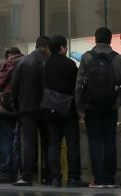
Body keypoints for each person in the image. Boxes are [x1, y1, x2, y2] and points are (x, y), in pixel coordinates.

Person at [75, 26, 121, 188]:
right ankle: (110, 178)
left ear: (96, 39)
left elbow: (79, 85)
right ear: (109, 39)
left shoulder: (86, 58)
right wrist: (120, 101)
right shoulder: (119, 59)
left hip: (91, 107)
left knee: (94, 141)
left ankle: (98, 179)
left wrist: (80, 107)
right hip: (110, 107)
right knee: (109, 140)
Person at [44, 35, 86, 187]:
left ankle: (55, 178)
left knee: (54, 144)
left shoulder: (46, 64)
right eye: (66, 46)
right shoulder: (70, 64)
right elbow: (77, 87)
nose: (67, 48)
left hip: (51, 108)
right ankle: (74, 178)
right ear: (62, 47)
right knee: (72, 144)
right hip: (68, 108)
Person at [11, 35, 51, 186]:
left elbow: (14, 87)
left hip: (26, 108)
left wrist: (16, 105)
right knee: (48, 141)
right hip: (46, 108)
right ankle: (47, 175)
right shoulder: (48, 61)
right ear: (47, 48)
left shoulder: (22, 62)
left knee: (28, 141)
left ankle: (27, 175)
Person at [0, 46, 22, 184]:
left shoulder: (10, 63)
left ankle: (6, 172)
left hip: (5, 108)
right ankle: (16, 172)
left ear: (9, 55)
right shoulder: (26, 62)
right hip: (20, 107)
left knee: (6, 141)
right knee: (17, 141)